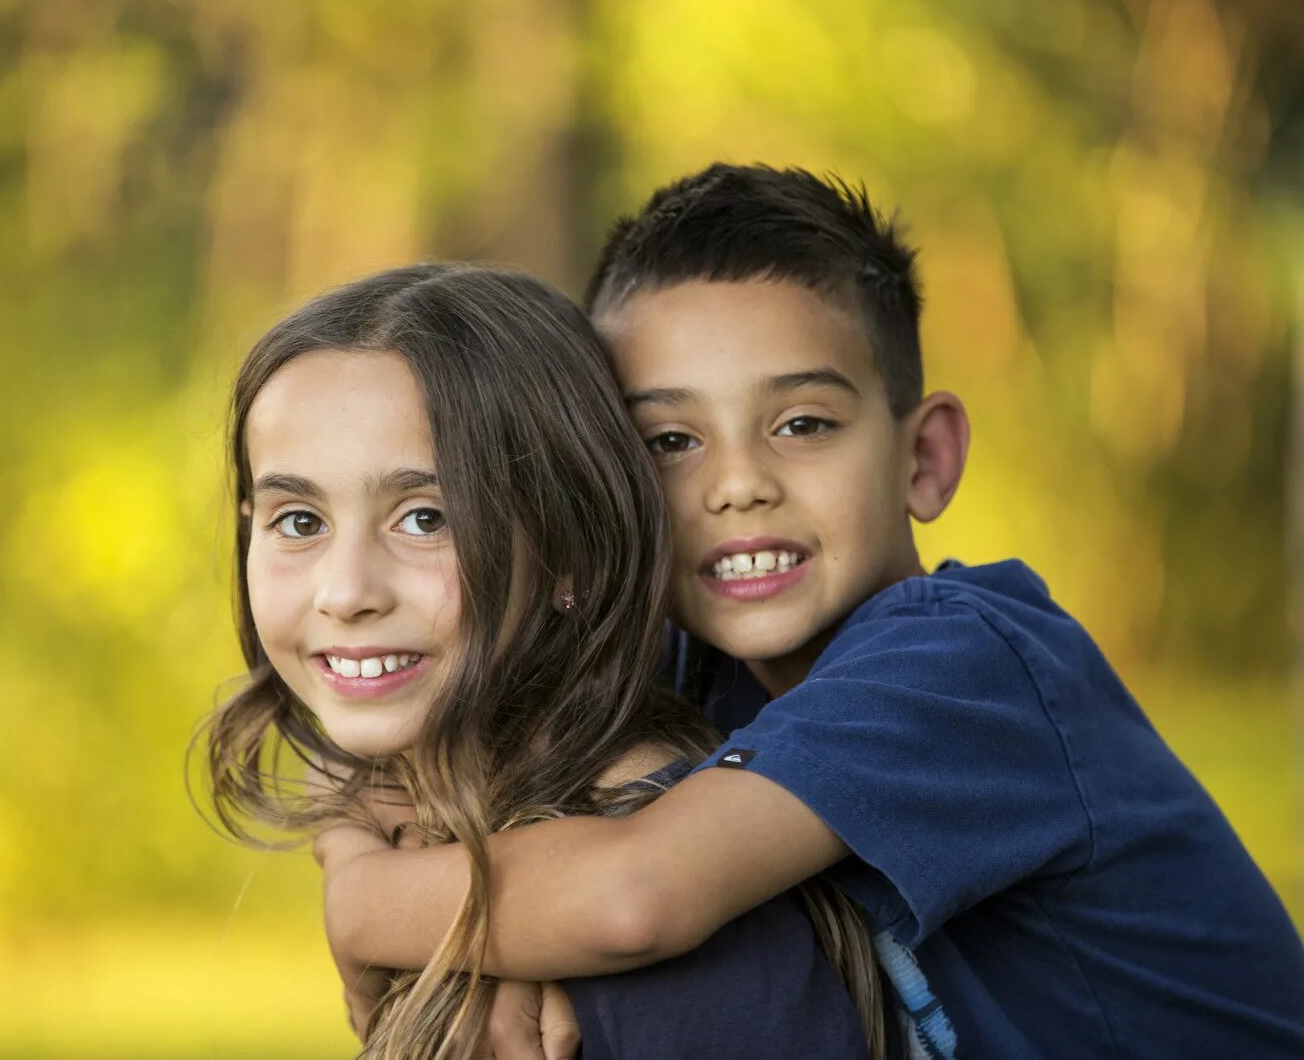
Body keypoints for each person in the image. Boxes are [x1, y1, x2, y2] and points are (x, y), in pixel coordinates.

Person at [317, 166, 1304, 1058]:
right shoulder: (672, 662)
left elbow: (632, 897)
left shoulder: (967, 662)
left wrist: (362, 905)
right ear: (603, 487)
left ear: (923, 458)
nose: (737, 485)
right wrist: (496, 956)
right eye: (667, 441)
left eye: (801, 424)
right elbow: (412, 777)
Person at [201, 262, 884, 1058]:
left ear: (572, 552)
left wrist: (362, 898)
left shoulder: (676, 954)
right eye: (297, 520)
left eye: (426, 518)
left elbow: (634, 905)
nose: (345, 592)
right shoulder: (442, 821)